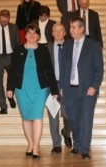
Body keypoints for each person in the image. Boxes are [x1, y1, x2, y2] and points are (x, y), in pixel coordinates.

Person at [6, 23, 58, 159]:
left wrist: (54, 90)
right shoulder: (18, 50)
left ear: (38, 36)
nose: (31, 36)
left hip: (40, 89)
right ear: (25, 35)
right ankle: (30, 143)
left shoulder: (43, 50)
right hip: (21, 89)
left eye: (35, 33)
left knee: (37, 116)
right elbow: (12, 71)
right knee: (26, 117)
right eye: (29, 33)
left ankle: (36, 147)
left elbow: (49, 70)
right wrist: (9, 88)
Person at [59, 16, 104, 160]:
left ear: (81, 28)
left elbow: (99, 69)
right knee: (73, 119)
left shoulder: (94, 45)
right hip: (70, 89)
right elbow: (64, 68)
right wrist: (62, 86)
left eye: (73, 27)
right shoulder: (66, 45)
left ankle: (84, 148)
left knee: (85, 119)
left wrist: (94, 86)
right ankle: (77, 145)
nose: (70, 30)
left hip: (87, 90)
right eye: (70, 27)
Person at [46, 23, 72, 154]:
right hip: (52, 85)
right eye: (55, 31)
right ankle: (56, 144)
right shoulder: (47, 48)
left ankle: (66, 133)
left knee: (69, 114)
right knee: (53, 115)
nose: (57, 33)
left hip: (67, 85)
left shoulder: (71, 47)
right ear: (52, 33)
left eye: (60, 31)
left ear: (65, 32)